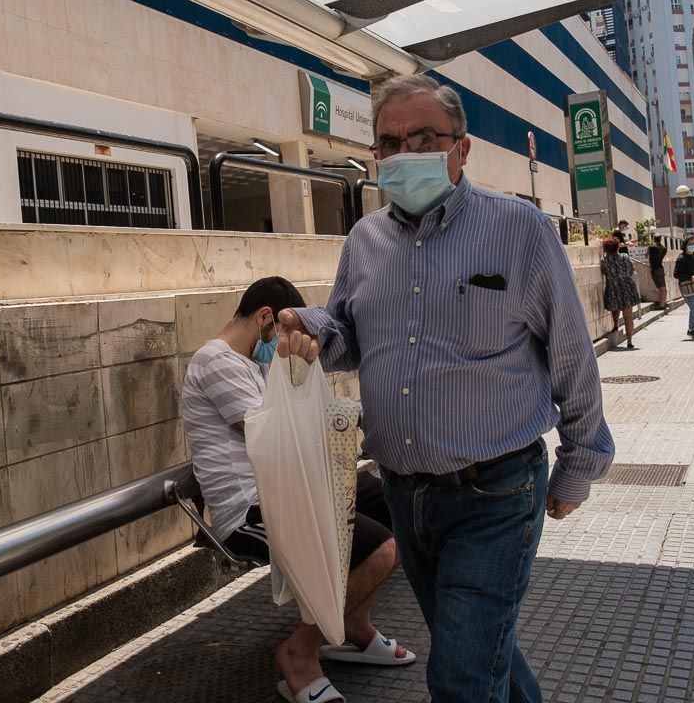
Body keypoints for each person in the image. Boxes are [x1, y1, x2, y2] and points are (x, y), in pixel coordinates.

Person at [278, 74, 615, 703]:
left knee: (461, 678)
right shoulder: (365, 240)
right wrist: (312, 330)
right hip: (407, 495)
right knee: (486, 655)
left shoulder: (519, 230)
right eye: (389, 142)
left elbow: (571, 351)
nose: (404, 153)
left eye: (423, 137)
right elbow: (351, 333)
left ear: (462, 148)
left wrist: (580, 464)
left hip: (495, 493)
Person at [180, 276, 414, 703]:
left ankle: (352, 624)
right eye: (283, 334)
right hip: (251, 507)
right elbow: (272, 437)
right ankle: (300, 653)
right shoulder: (215, 361)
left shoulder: (257, 363)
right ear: (265, 317)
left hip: (291, 489)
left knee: (395, 503)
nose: (282, 345)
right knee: (381, 550)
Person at [601, 237, 640, 349]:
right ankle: (629, 341)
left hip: (613, 288)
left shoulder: (604, 261)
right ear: (617, 247)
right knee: (628, 317)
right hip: (627, 288)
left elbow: (604, 272)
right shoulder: (625, 257)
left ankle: (615, 325)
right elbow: (631, 269)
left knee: (615, 308)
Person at [647, 236, 668, 309]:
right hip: (661, 268)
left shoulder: (651, 247)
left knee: (661, 287)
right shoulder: (664, 248)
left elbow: (647, 255)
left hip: (655, 269)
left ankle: (662, 304)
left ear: (653, 239)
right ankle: (663, 302)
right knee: (663, 287)